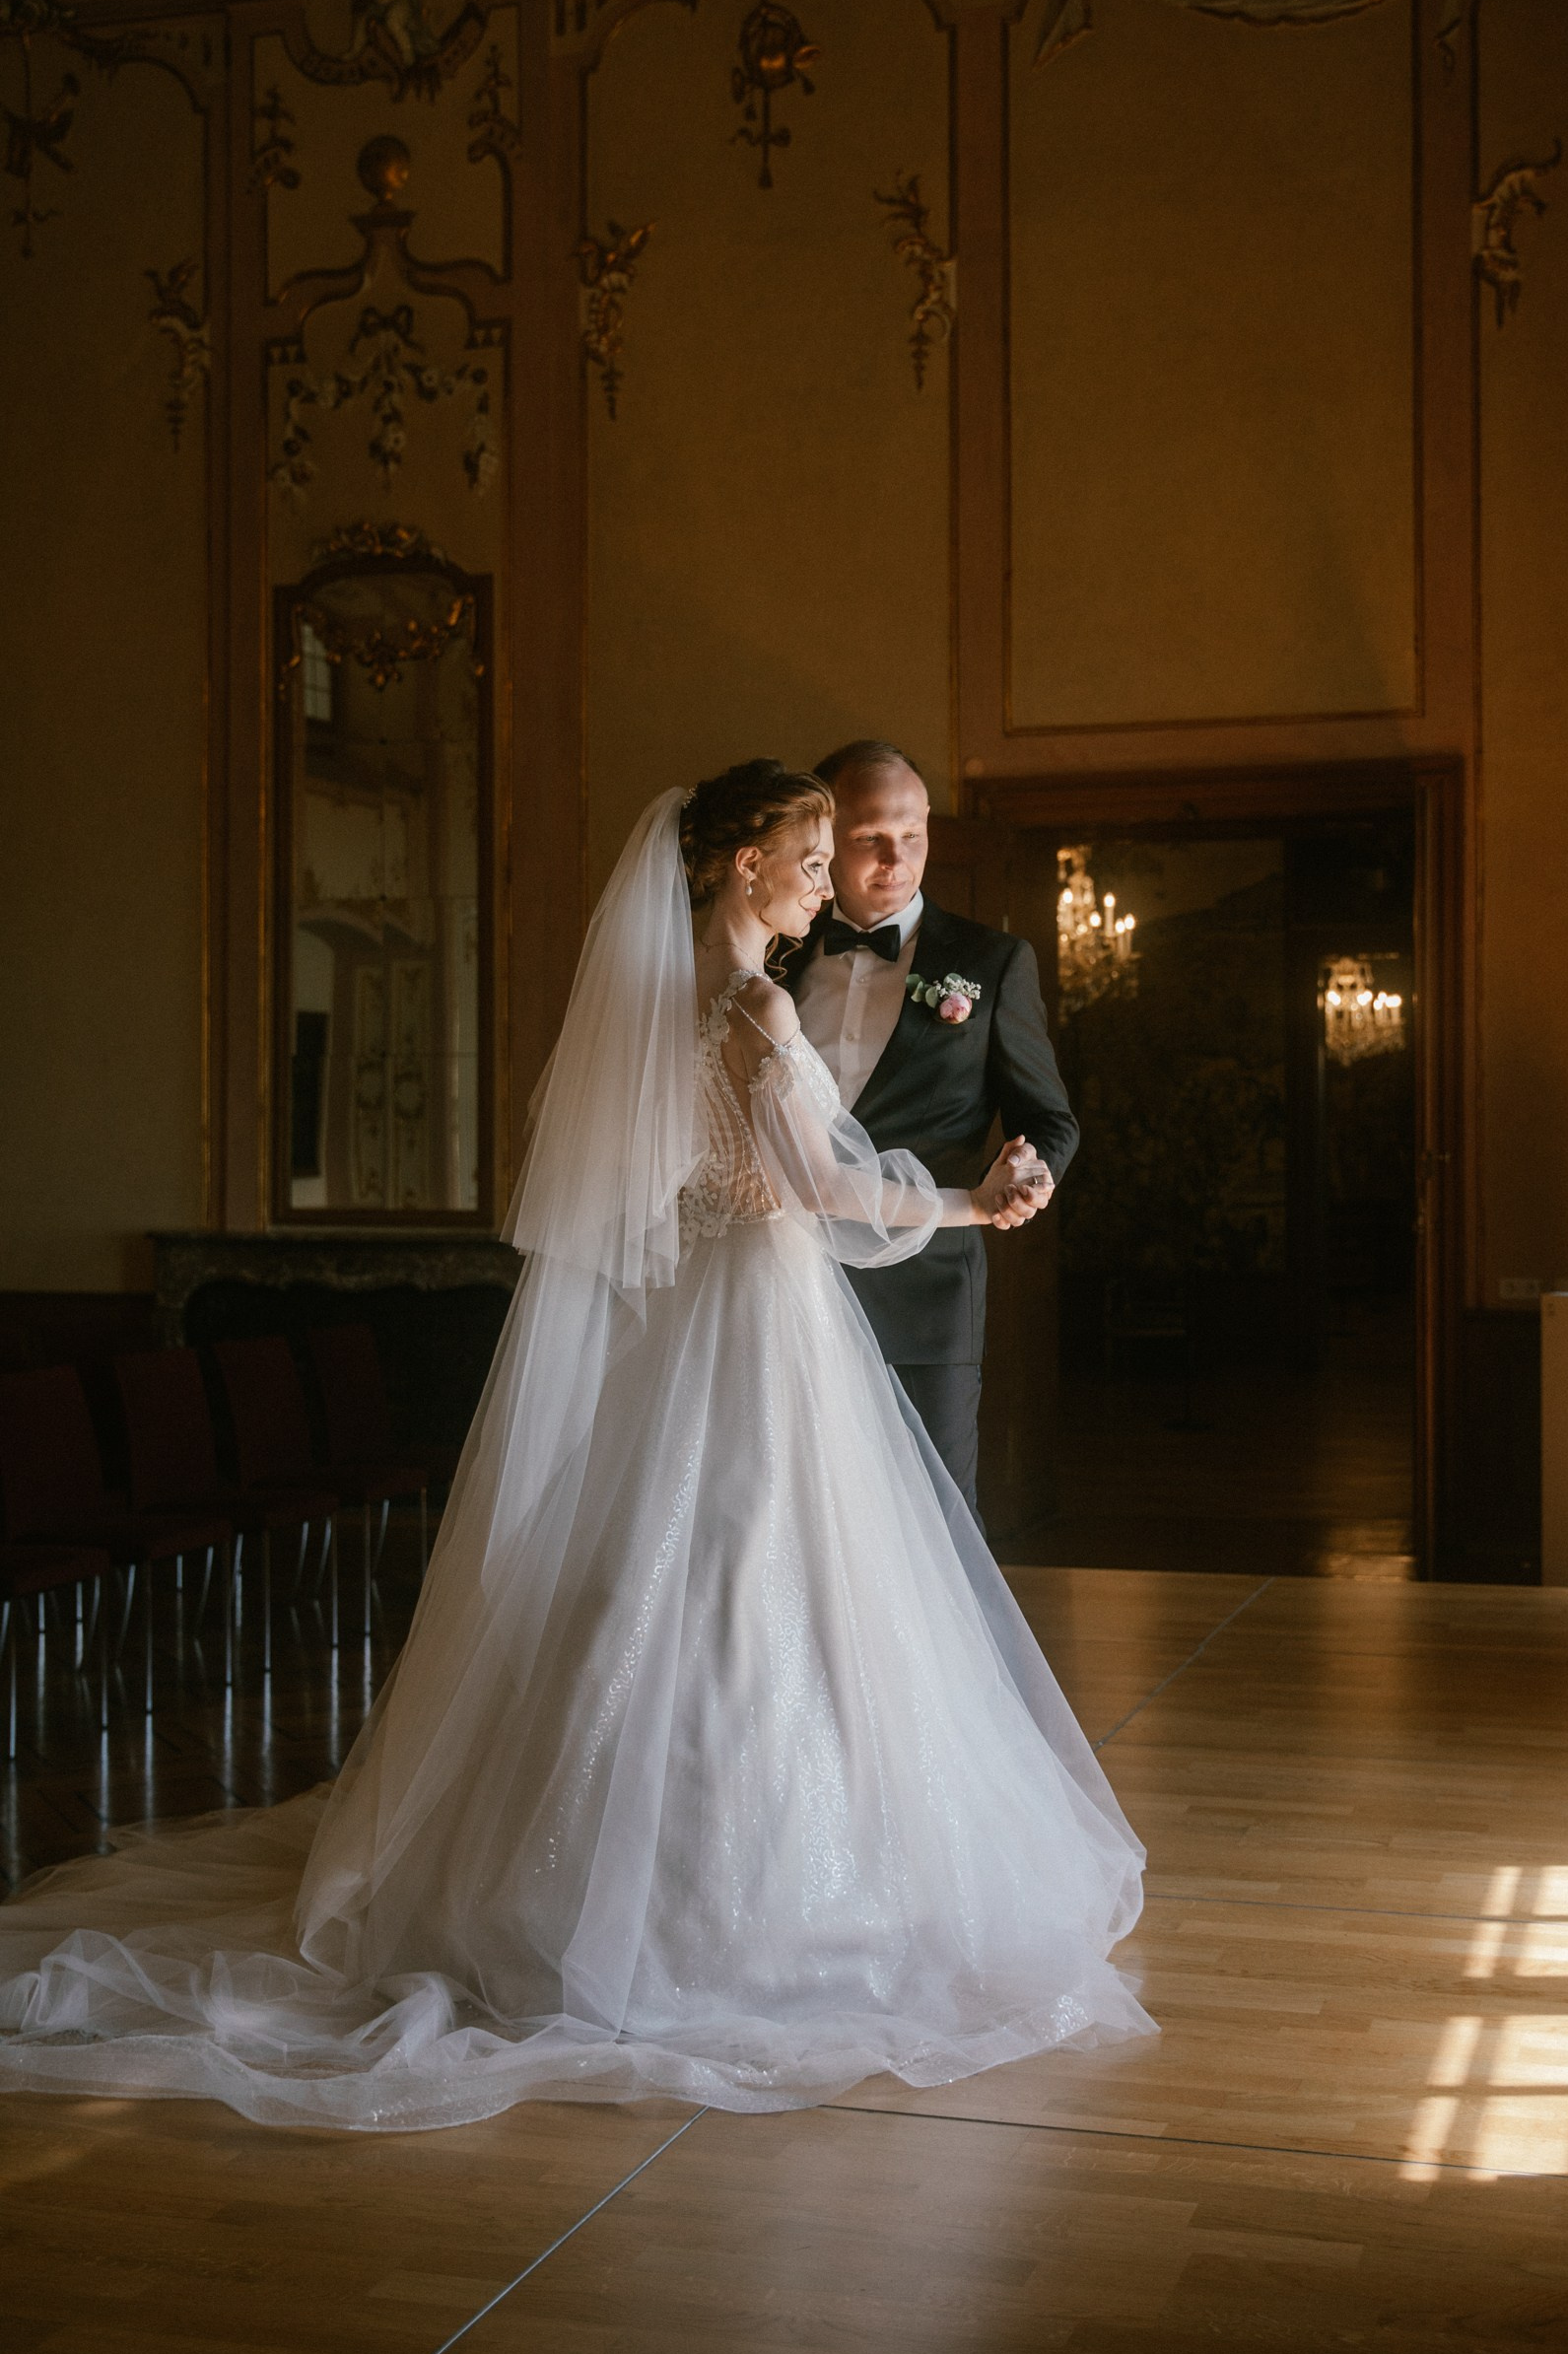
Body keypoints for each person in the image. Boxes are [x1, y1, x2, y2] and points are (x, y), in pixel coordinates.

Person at [0, 763, 1150, 2131]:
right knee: (762, 1584)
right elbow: (822, 1188)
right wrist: (971, 1205)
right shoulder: (754, 1003)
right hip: (761, 1323)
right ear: (743, 866)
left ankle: (586, 1883)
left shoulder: (659, 998)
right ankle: (760, 1908)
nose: (822, 880)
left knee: (690, 1583)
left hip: (687, 1323)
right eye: (806, 857)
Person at [788, 740, 1078, 1512]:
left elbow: (1048, 1118)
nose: (897, 859)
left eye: (912, 834)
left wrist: (1030, 1174)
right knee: (805, 1517)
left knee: (935, 1521)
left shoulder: (991, 962)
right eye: (870, 838)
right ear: (825, 837)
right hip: (787, 1281)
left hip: (926, 1288)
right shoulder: (775, 959)